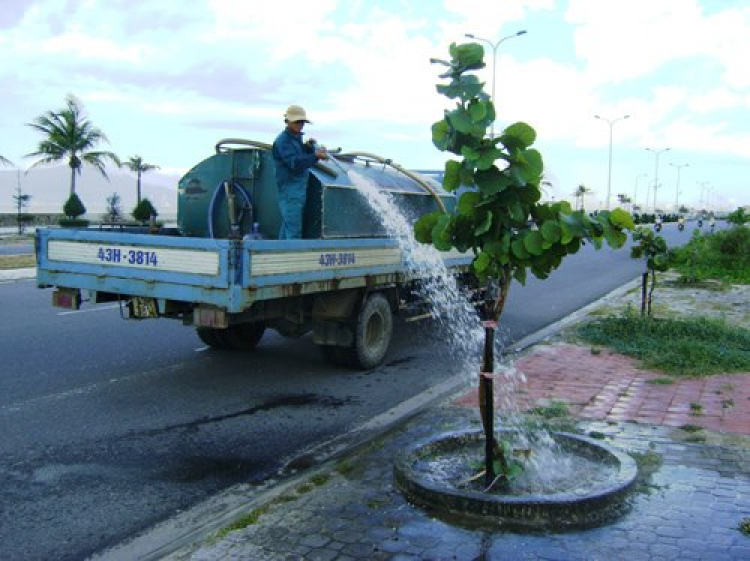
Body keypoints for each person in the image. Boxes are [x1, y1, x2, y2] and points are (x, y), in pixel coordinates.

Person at [272, 105, 327, 239]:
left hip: (298, 190)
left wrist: (307, 148)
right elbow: (295, 163)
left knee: (288, 227)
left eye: (302, 122)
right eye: (297, 122)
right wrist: (315, 156)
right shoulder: (283, 141)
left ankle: (280, 256)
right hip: (290, 191)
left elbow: (300, 155)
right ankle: (290, 258)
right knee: (294, 231)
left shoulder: (295, 140)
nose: (300, 125)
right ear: (288, 121)